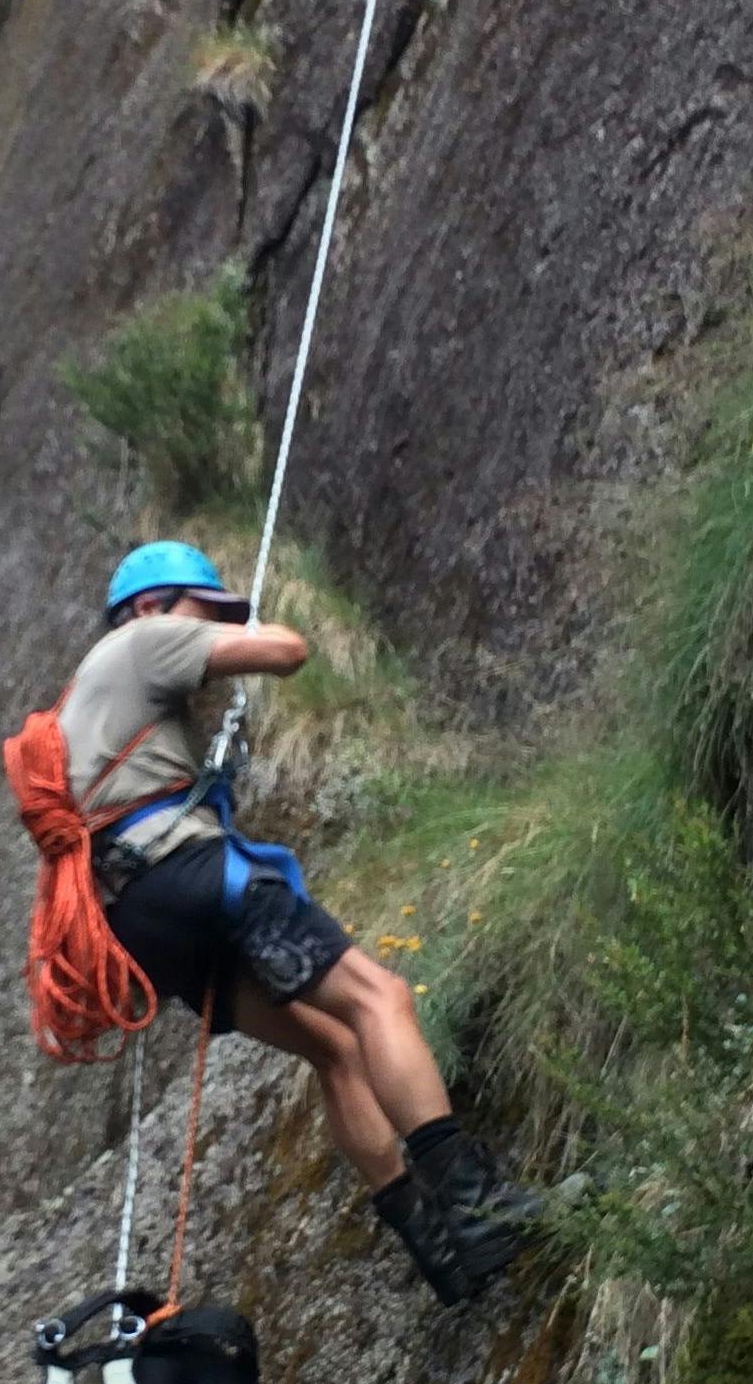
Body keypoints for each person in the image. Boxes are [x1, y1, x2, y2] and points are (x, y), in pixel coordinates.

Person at [60, 540, 538, 1305]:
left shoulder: (86, 700)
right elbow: (288, 650)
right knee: (380, 999)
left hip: (137, 916)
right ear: (150, 606)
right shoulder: (144, 640)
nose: (212, 627)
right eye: (203, 612)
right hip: (188, 871)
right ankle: (479, 1211)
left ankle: (440, 1253)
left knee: (334, 1049)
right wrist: (245, 634)